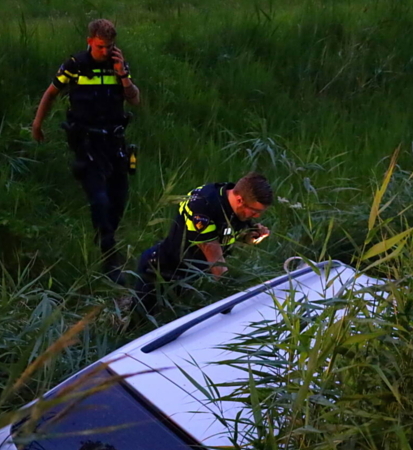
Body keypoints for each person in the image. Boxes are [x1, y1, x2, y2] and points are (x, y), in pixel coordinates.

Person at [31, 19, 140, 282]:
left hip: (114, 143)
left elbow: (135, 99)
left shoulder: (117, 66)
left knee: (118, 200)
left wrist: (123, 75)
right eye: (101, 46)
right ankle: (108, 258)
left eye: (110, 46)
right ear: (90, 41)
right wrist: (37, 124)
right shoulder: (75, 65)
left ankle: (105, 237)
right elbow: (51, 93)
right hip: (88, 143)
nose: (105, 51)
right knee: (100, 200)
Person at [136, 173, 273, 314]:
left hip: (192, 275)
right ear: (240, 200)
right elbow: (215, 258)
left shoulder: (235, 205)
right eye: (256, 211)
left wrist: (247, 237)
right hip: (162, 272)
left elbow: (225, 233)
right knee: (143, 323)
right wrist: (231, 297)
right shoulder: (202, 206)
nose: (257, 216)